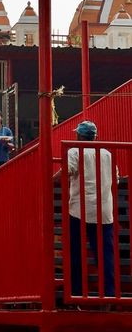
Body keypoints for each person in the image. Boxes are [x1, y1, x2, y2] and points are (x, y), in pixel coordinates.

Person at [68, 120, 116, 297]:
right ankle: (109, 294)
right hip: (104, 212)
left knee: (76, 253)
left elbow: (68, 170)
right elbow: (115, 179)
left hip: (79, 211)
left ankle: (77, 293)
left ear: (79, 135)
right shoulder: (106, 153)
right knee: (105, 256)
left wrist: (51, 179)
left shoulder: (74, 151)